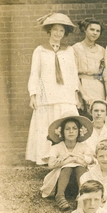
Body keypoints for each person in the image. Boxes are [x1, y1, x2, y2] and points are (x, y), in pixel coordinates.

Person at [27, 13, 82, 165]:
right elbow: (35, 73)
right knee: (46, 125)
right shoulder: (40, 50)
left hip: (65, 94)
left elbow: (73, 74)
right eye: (55, 30)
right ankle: (45, 157)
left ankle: (67, 157)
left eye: (61, 31)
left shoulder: (69, 50)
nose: (58, 34)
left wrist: (75, 94)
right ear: (50, 31)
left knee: (65, 123)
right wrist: (33, 95)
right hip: (46, 95)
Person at [40, 115, 94, 209]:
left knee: (80, 167)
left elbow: (91, 161)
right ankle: (60, 195)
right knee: (68, 166)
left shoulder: (83, 147)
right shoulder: (56, 147)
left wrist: (73, 157)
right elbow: (51, 164)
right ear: (62, 132)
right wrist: (69, 160)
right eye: (67, 129)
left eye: (74, 128)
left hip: (79, 183)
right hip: (61, 182)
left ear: (79, 131)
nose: (71, 131)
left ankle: (81, 195)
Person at [73, 18, 106, 110]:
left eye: (98, 31)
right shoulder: (76, 48)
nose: (95, 33)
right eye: (92, 29)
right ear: (85, 30)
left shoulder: (102, 50)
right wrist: (83, 94)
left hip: (98, 86)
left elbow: (104, 72)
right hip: (81, 85)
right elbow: (73, 74)